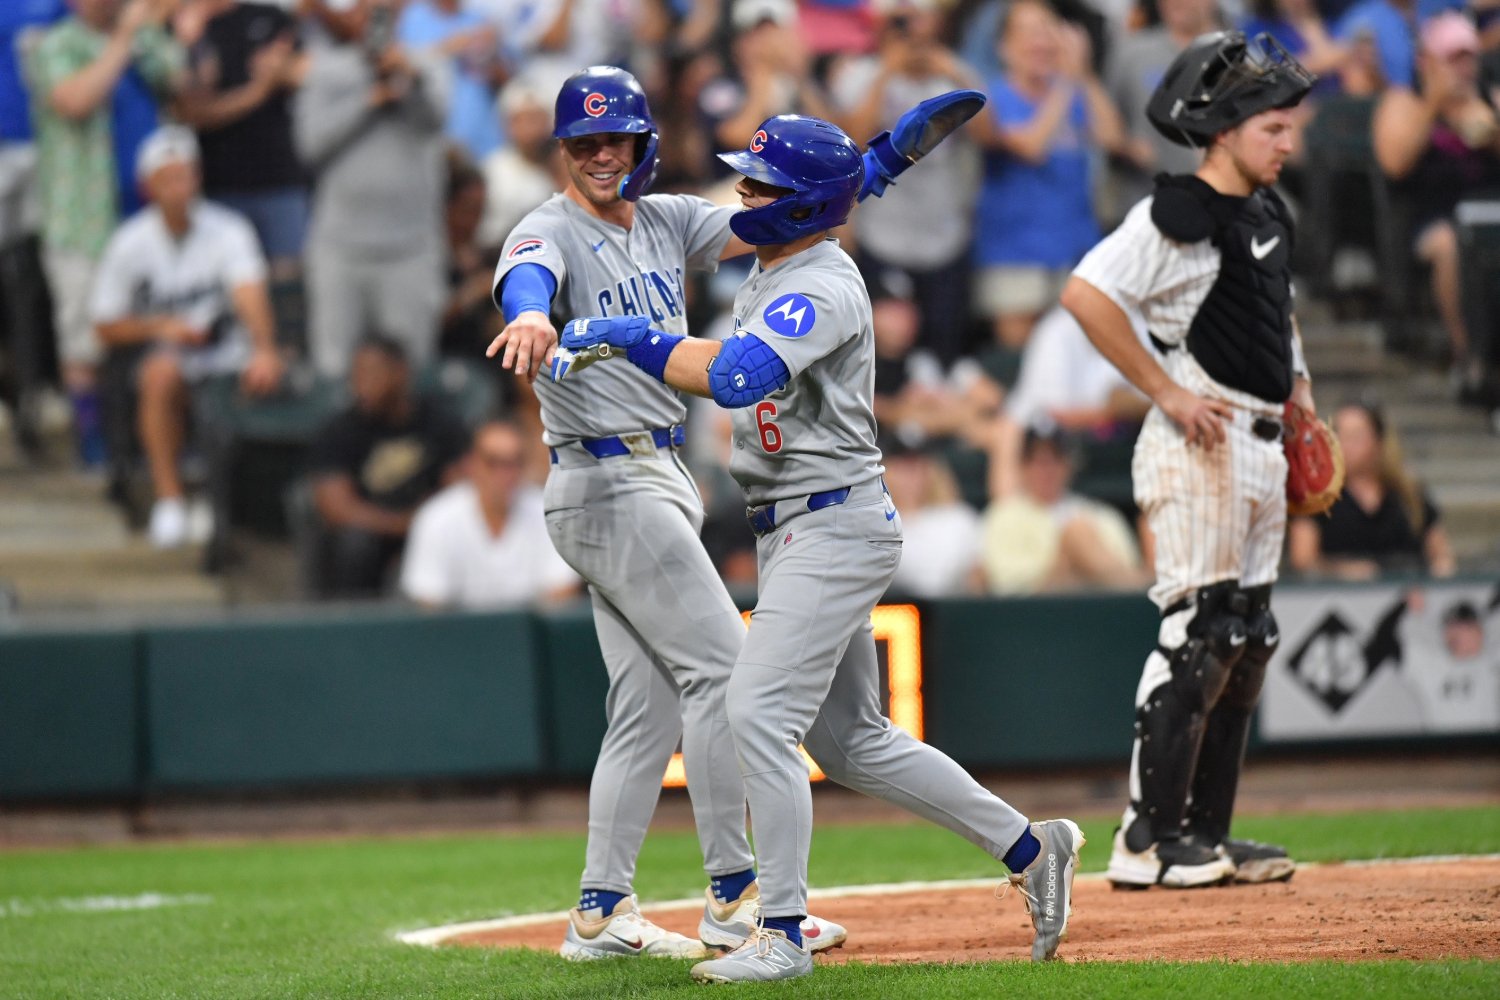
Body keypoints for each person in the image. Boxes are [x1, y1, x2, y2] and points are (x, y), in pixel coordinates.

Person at [555, 113, 1084, 983]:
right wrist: (871, 167)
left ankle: (781, 932)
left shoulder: (824, 283)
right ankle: (1032, 849)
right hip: (799, 523)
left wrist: (629, 337)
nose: (744, 193)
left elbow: (738, 377)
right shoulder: (781, 262)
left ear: (802, 208)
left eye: (762, 184)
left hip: (831, 523)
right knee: (853, 743)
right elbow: (794, 218)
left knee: (757, 710)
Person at [484, 66, 845, 963]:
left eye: (615, 138)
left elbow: (770, 220)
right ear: (562, 150)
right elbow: (526, 279)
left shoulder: (667, 219)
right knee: (724, 672)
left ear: (643, 142)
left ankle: (600, 911)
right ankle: (734, 896)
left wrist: (871, 167)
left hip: (654, 472)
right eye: (583, 142)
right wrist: (529, 318)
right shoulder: (545, 227)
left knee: (646, 708)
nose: (600, 155)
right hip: (607, 481)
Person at [1061, 30, 1321, 889]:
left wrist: (1301, 396)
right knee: (1201, 630)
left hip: (1260, 441)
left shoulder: (1266, 214)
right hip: (1198, 440)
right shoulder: (1174, 214)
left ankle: (1205, 834)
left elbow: (1274, 316)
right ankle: (1147, 839)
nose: (1288, 143)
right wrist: (1164, 391)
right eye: (1273, 128)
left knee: (1247, 637)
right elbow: (1085, 294)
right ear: (1224, 130)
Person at [90, 125, 283, 547]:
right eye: (170, 179)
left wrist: (265, 349)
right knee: (160, 375)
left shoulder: (228, 229)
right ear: (149, 186)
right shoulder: (129, 241)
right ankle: (171, 501)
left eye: (187, 176)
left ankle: (224, 506)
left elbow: (249, 293)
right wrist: (161, 326)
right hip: (164, 355)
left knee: (255, 382)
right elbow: (104, 324)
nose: (181, 188)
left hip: (226, 353)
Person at [24, 0, 185, 466]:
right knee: (85, 339)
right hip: (82, 221)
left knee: (152, 331)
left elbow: (181, 85)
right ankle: (93, 442)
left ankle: (148, 440)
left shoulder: (147, 37)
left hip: (148, 216)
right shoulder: (55, 42)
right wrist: (123, 39)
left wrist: (166, 31)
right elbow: (74, 101)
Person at [293, 0, 451, 378]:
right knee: (334, 366)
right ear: (352, 15)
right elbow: (309, 145)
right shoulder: (326, 71)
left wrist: (409, 81)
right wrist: (367, 100)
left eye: (384, 12)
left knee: (410, 366)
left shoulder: (427, 66)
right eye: (366, 11)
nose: (374, 21)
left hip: (410, 247)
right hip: (340, 248)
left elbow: (435, 119)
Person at [973, 0, 1125, 349]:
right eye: (1027, 32)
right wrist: (1067, 81)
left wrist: (1084, 74)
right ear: (1004, 46)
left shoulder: (1075, 89)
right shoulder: (993, 97)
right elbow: (1031, 147)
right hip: (1014, 252)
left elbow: (1111, 138)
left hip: (1075, 248)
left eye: (1046, 30)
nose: (1039, 41)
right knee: (1017, 356)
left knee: (1075, 355)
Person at [1372, 12, 1500, 395]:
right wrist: (1435, 106)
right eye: (1452, 59)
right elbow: (1394, 163)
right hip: (1429, 222)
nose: (1463, 68)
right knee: (1451, 244)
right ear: (1426, 62)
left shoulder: (1489, 99)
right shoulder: (1404, 101)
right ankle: (1469, 357)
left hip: (1488, 217)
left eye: (1468, 57)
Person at [302, 335, 468, 598]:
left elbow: (459, 490)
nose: (360, 384)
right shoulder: (338, 431)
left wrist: (426, 524)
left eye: (371, 373)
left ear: (401, 373)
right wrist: (405, 523)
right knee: (355, 542)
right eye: (356, 374)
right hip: (372, 536)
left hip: (429, 530)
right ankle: (354, 619)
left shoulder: (439, 422)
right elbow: (337, 508)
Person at [173, 0, 308, 277]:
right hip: (221, 187)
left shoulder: (268, 17)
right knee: (229, 283)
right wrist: (260, 89)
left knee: (289, 286)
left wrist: (281, 70)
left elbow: (305, 73)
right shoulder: (190, 28)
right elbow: (193, 110)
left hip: (280, 181)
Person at [399, 419, 580, 609]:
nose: (505, 474)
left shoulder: (550, 513)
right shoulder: (436, 518)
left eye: (515, 462)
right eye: (493, 462)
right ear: (471, 463)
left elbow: (562, 592)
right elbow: (428, 601)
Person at [1286, 401, 1456, 578]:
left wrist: (1440, 568)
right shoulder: (1316, 496)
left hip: (1407, 587)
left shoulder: (1409, 494)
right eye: (1338, 435)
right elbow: (1303, 561)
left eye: (1355, 436)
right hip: (1341, 592)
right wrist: (1343, 571)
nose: (1345, 444)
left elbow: (1440, 551)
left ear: (1378, 441)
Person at [981, 422, 1146, 595]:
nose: (1046, 469)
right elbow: (1007, 586)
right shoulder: (1004, 515)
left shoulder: (1101, 514)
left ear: (1069, 464)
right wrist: (1069, 559)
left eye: (1055, 459)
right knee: (1076, 534)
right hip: (1040, 606)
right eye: (1036, 460)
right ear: (1023, 467)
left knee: (1078, 531)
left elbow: (1128, 565)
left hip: (1105, 603)